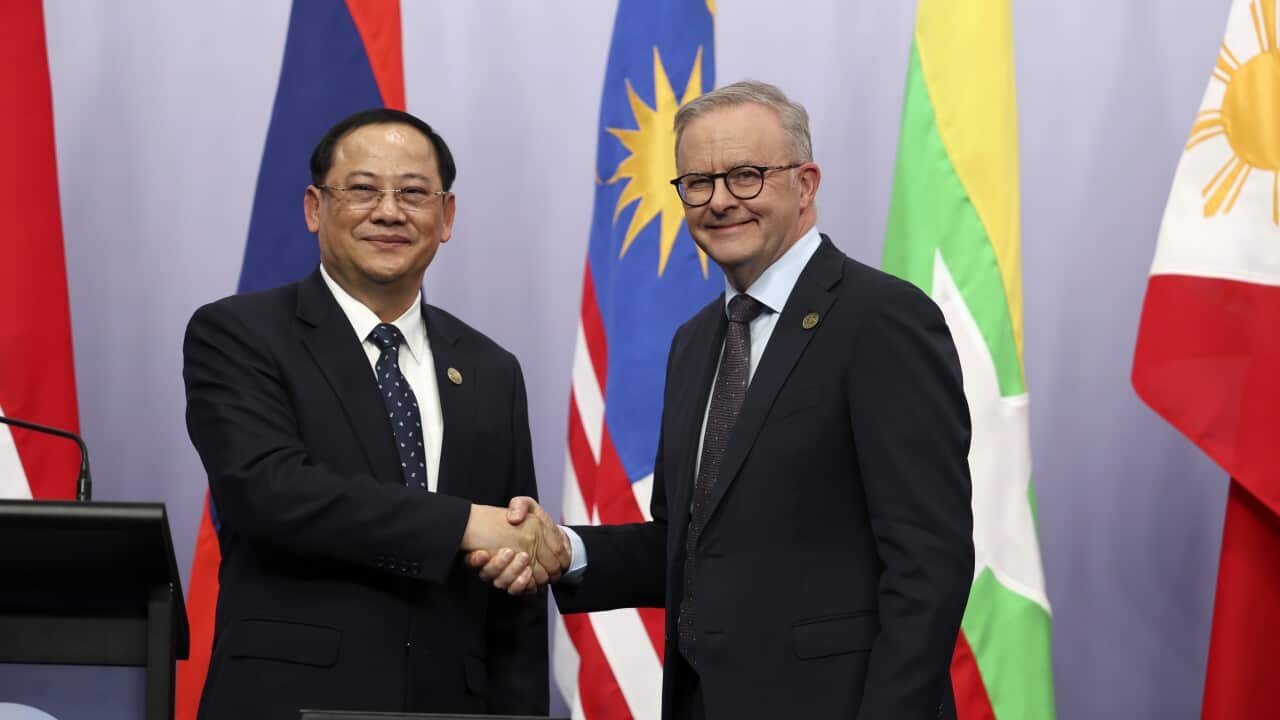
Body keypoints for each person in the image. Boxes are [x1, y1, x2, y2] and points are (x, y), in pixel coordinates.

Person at [472, 81, 975, 719]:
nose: (720, 201)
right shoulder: (696, 341)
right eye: (698, 183)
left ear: (807, 183)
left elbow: (929, 559)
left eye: (746, 176)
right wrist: (564, 550)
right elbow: (690, 544)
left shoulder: (883, 319)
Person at [183, 108, 566, 720]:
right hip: (291, 700)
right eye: (362, 190)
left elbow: (513, 581)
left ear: (446, 218)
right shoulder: (238, 334)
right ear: (315, 208)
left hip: (454, 703)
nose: (389, 212)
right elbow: (270, 492)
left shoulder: (493, 369)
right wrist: (465, 524)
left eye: (414, 193)